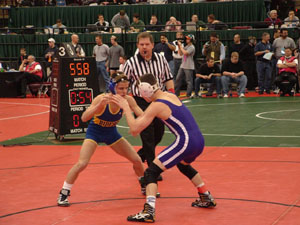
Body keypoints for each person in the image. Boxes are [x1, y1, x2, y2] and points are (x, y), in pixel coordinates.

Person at [111, 73, 216, 223]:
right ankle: (206, 196)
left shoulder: (157, 105)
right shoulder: (168, 95)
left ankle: (149, 211)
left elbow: (134, 129)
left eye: (141, 92)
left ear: (146, 91)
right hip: (199, 141)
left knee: (151, 172)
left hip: (186, 141)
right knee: (183, 165)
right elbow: (144, 118)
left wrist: (126, 108)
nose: (141, 96)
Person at [57, 72, 146, 207]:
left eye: (126, 88)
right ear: (112, 87)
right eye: (120, 88)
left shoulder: (128, 100)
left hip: (111, 133)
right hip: (95, 132)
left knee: (137, 160)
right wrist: (98, 107)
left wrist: (153, 113)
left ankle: (144, 184)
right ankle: (64, 192)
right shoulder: (102, 99)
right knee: (82, 163)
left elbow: (142, 114)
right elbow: (84, 118)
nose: (124, 91)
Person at [123, 32, 174, 180]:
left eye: (147, 44)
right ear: (137, 45)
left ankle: (143, 153)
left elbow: (168, 78)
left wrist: (172, 96)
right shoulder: (131, 63)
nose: (144, 47)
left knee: (159, 132)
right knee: (148, 134)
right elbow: (124, 83)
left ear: (152, 45)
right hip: (141, 102)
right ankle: (152, 169)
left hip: (159, 100)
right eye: (141, 44)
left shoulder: (161, 59)